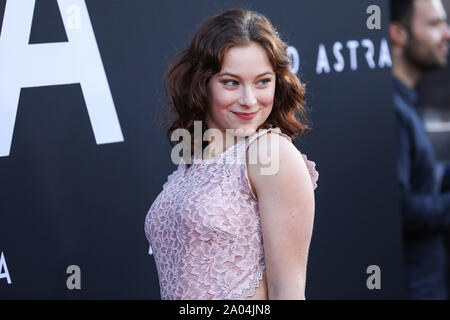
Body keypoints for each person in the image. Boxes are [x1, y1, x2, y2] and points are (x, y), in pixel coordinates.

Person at [144, 8, 319, 300]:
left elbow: (288, 291)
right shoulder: (195, 159)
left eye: (263, 81)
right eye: (231, 83)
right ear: (202, 84)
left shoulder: (271, 153)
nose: (249, 100)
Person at [390, 0, 450, 299]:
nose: (447, 34)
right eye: (435, 24)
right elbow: (396, 208)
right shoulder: (392, 110)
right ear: (398, 34)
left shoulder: (405, 101)